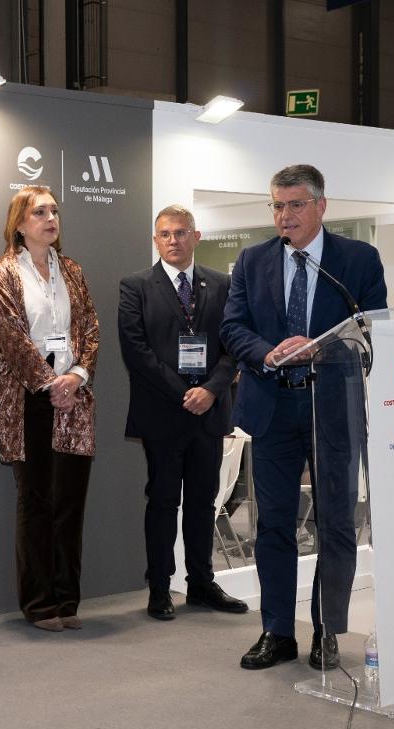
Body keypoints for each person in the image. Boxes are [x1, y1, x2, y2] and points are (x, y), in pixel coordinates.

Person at [220, 164, 387, 671]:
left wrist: (320, 349)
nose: (284, 215)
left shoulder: (356, 260)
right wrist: (269, 353)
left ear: (321, 206)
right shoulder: (252, 261)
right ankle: (276, 631)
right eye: (276, 205)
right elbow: (232, 326)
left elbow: (372, 325)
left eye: (294, 205)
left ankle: (326, 630)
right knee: (273, 525)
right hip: (272, 406)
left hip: (333, 407)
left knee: (336, 522)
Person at [118, 204, 247, 621]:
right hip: (163, 414)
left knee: (202, 502)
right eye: (165, 234)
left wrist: (209, 390)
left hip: (209, 413)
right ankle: (159, 587)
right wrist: (184, 394)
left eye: (181, 232)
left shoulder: (222, 284)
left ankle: (201, 584)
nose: (173, 240)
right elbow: (137, 352)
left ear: (197, 236)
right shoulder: (135, 286)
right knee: (162, 502)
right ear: (156, 240)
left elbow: (233, 344)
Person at [0, 186, 99, 632]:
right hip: (27, 396)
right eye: (39, 212)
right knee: (35, 499)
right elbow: (10, 334)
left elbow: (90, 327)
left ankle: (67, 600)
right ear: (19, 223)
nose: (50, 218)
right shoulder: (4, 271)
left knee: (69, 500)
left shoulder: (70, 269)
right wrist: (49, 382)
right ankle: (38, 603)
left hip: (74, 394)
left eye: (54, 211)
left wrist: (77, 377)